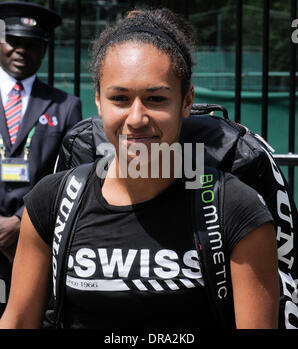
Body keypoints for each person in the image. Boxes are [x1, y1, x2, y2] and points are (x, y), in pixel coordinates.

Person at [0, 8, 279, 329]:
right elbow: (18, 321)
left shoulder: (234, 207)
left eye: (156, 99)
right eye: (120, 98)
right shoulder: (52, 200)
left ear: (187, 101)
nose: (136, 118)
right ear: (99, 101)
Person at [0, 1, 82, 315]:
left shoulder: (65, 105)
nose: (22, 50)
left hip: (34, 240)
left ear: (44, 50)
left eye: (32, 44)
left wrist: (21, 221)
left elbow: (70, 175)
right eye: (14, 42)